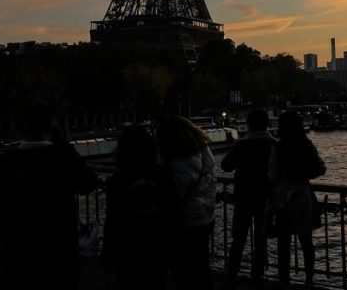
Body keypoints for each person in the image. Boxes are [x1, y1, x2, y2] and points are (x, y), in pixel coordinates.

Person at [0, 102, 97, 290]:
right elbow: (88, 183)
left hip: (20, 251)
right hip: (58, 250)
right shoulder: (62, 157)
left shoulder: (5, 162)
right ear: (52, 127)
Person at [155, 116, 218, 290]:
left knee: (185, 272)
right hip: (207, 216)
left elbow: (172, 198)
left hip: (186, 223)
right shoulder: (205, 153)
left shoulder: (178, 166)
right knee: (202, 267)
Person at [102, 125, 166, 290]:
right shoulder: (164, 175)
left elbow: (113, 220)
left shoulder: (116, 181)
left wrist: (108, 252)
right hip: (157, 246)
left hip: (127, 248)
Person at [269, 110, 326, 287]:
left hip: (283, 199)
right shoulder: (306, 144)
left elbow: (272, 174)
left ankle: (284, 280)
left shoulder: (278, 147)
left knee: (283, 242)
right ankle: (309, 280)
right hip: (302, 197)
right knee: (306, 242)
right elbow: (320, 168)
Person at [222, 109, 277, 285]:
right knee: (261, 239)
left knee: (238, 239)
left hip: (243, 196)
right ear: (267, 124)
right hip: (265, 197)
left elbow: (226, 166)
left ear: (249, 125)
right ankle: (257, 275)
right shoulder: (274, 144)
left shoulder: (241, 145)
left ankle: (232, 274)